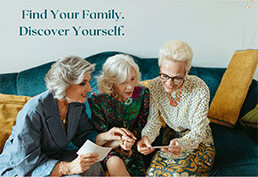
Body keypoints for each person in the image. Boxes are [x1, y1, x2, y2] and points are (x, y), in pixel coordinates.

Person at [0, 56, 135, 177]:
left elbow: (84, 137)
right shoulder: (34, 110)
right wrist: (67, 168)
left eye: (88, 82)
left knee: (90, 163)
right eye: (83, 83)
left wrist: (107, 137)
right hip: (20, 169)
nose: (89, 89)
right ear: (64, 84)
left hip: (52, 158)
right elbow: (25, 164)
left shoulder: (75, 105)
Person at [137, 40, 216, 176]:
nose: (169, 83)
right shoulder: (155, 86)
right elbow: (154, 121)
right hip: (171, 136)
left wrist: (182, 144)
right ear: (160, 67)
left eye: (177, 78)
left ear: (186, 72)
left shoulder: (200, 88)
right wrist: (145, 137)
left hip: (198, 139)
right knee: (151, 174)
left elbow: (198, 131)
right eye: (164, 75)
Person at [88, 54, 149, 176]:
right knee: (114, 162)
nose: (130, 86)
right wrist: (119, 142)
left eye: (132, 79)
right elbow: (99, 136)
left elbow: (143, 124)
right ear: (111, 82)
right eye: (123, 82)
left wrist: (131, 139)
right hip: (109, 149)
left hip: (133, 148)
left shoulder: (142, 93)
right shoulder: (97, 99)